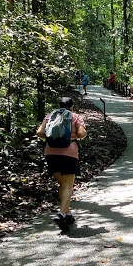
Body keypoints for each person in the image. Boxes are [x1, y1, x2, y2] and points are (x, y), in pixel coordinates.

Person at [36, 97, 87, 233]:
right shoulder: (76, 116)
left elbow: (40, 132)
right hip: (69, 154)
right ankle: (61, 214)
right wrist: (77, 135)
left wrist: (53, 140)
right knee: (68, 186)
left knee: (63, 185)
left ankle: (68, 214)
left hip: (51, 154)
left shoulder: (50, 115)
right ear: (71, 106)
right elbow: (81, 133)